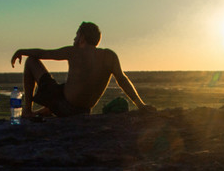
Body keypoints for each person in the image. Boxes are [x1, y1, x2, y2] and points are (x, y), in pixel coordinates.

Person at [10, 21, 153, 117]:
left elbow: (44, 54)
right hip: (83, 111)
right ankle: (38, 113)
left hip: (64, 106)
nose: (74, 39)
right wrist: (140, 104)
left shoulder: (74, 51)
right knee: (62, 91)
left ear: (82, 38)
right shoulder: (109, 56)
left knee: (30, 61)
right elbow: (122, 80)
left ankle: (27, 111)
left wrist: (22, 51)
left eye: (76, 35)